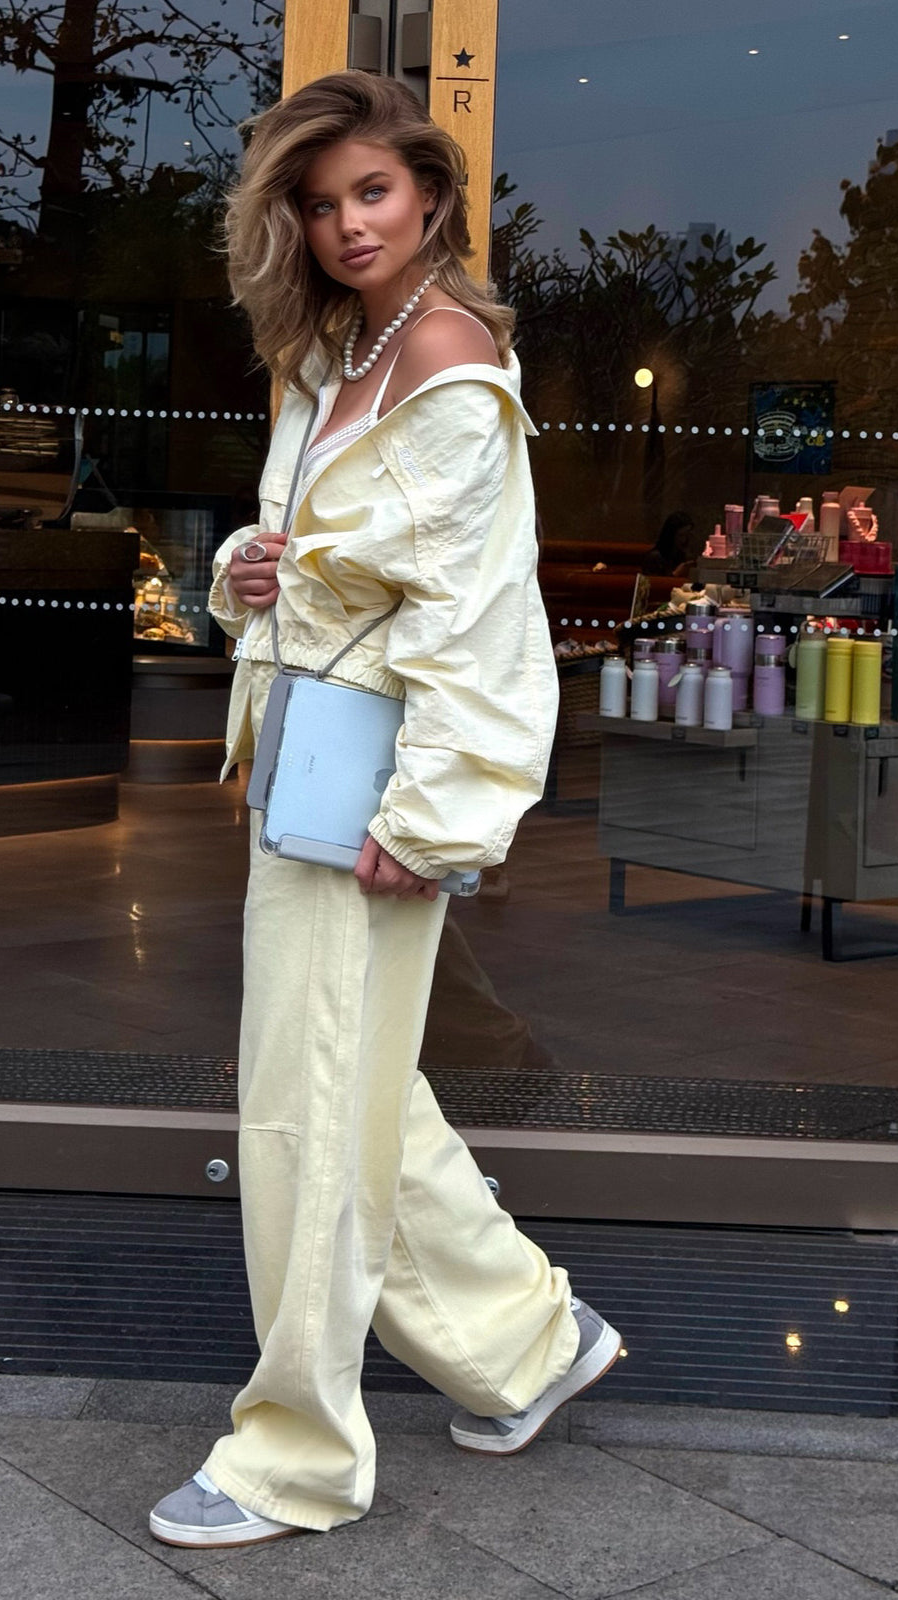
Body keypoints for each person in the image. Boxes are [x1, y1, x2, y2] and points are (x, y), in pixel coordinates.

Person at [148, 70, 621, 1550]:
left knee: (303, 1111)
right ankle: (532, 1346)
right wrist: (244, 571)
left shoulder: (448, 364)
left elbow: (482, 624)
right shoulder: (333, 356)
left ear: (429, 195)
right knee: (353, 1097)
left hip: (376, 799)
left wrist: (436, 819)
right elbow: (312, 556)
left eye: (374, 191)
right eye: (321, 197)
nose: (349, 222)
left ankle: (294, 1456)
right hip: (310, 765)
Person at [640, 510, 702, 576]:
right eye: (681, 535)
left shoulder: (680, 554)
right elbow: (654, 583)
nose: (684, 540)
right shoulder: (654, 558)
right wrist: (676, 574)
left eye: (687, 535)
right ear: (671, 535)